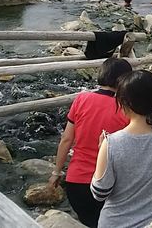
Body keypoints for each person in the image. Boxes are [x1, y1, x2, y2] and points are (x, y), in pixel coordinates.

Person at [91, 70, 152, 228]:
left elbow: (99, 193)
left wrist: (101, 154)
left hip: (114, 223)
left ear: (124, 102)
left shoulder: (111, 143)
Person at [49, 59, 132, 228]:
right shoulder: (126, 109)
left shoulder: (81, 99)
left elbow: (66, 139)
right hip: (108, 187)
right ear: (124, 80)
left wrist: (56, 172)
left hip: (76, 184)